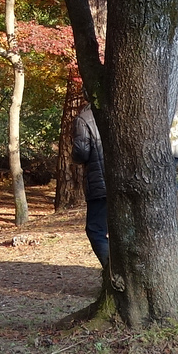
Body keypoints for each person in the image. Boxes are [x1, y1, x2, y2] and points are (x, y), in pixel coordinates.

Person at [69, 102, 108, 269]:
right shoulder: (123, 111)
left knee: (95, 229)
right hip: (128, 181)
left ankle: (110, 271)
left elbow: (81, 152)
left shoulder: (83, 119)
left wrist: (73, 158)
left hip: (100, 181)